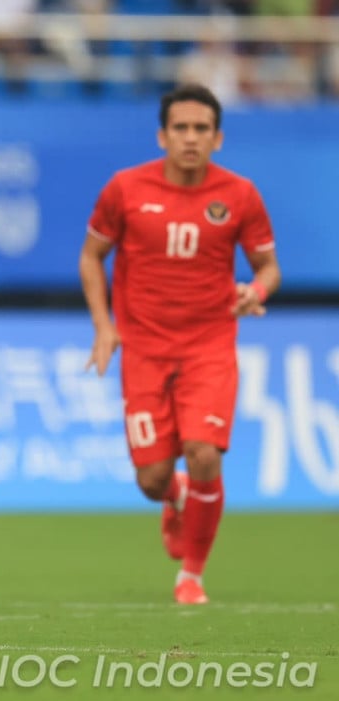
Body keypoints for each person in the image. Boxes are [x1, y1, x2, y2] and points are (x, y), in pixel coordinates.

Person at [79, 83, 281, 606]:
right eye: (181, 128)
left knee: (203, 453)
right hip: (144, 349)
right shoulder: (125, 188)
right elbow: (91, 256)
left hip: (209, 345)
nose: (191, 138)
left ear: (218, 138)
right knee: (152, 479)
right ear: (162, 136)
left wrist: (255, 291)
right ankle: (177, 495)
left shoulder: (240, 195)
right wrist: (104, 325)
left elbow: (268, 267)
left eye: (201, 129)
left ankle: (191, 575)